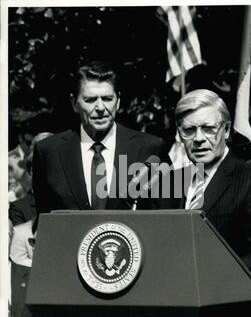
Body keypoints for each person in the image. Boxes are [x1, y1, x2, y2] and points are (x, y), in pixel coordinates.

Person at [159, 89, 251, 283]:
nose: (198, 138)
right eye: (189, 130)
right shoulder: (168, 182)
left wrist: (210, 274)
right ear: (180, 134)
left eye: (208, 128)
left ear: (225, 130)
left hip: (226, 305)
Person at [32, 61, 167, 215]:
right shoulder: (48, 152)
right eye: (90, 100)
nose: (100, 108)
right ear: (74, 103)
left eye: (107, 99)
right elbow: (44, 222)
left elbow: (163, 220)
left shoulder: (150, 149)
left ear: (118, 101)